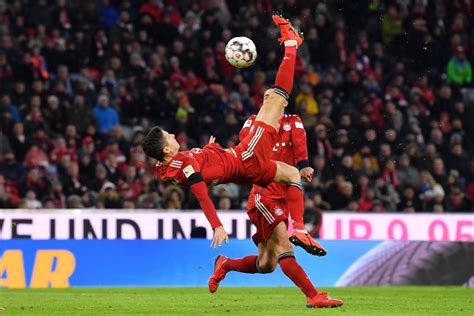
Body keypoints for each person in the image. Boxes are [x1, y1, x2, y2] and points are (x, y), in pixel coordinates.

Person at [142, 14, 324, 255]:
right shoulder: (184, 163)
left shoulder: (169, 165)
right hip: (245, 156)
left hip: (245, 171)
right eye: (168, 136)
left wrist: (208, 150)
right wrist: (217, 226)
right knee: (276, 97)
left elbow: (199, 170)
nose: (173, 134)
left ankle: (299, 229)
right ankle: (291, 44)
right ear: (166, 149)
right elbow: (201, 195)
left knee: (292, 174)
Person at [207, 112, 343, 308]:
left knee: (266, 264)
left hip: (284, 198)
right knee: (284, 247)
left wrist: (303, 165)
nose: (270, 102)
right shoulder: (255, 121)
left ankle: (225, 263)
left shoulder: (293, 121)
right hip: (264, 197)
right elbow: (244, 144)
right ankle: (313, 295)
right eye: (267, 98)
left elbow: (299, 142)